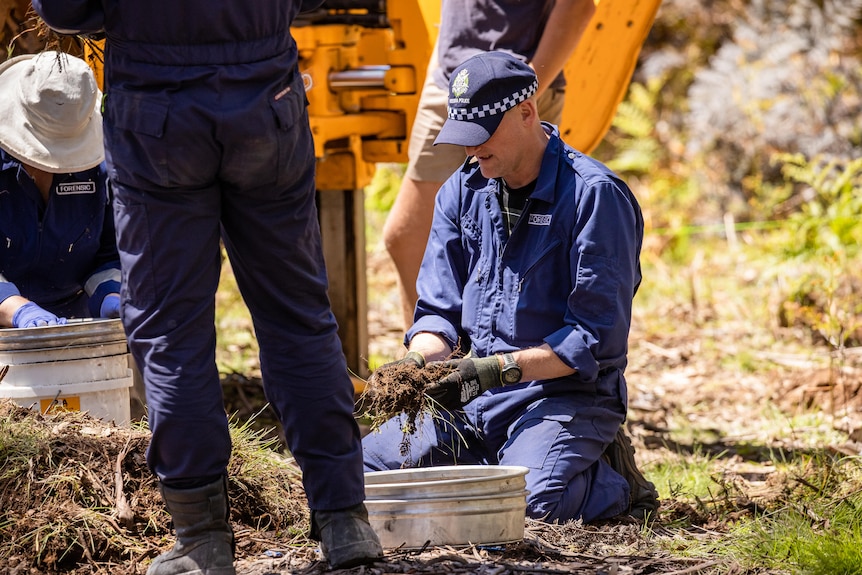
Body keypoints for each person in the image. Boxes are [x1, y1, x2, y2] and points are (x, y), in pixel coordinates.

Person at [33, 2, 382, 573]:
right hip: (267, 103)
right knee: (296, 315)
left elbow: (67, 10)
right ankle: (344, 519)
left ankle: (202, 538)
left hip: (157, 115)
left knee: (171, 330)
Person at [364, 52, 659, 524]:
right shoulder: (461, 192)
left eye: (481, 137)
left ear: (527, 112)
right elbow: (438, 311)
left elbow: (593, 339)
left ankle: (612, 482)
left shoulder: (594, 196)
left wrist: (498, 370)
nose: (470, 152)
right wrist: (417, 364)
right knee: (363, 474)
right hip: (472, 399)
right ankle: (490, 472)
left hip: (563, 397)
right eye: (462, 137)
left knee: (525, 507)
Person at [383, 0, 597, 330]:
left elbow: (578, 6)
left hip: (509, 91)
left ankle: (526, 363)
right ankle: (433, 365)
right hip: (449, 80)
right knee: (407, 235)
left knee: (521, 251)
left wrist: (525, 91)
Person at [0, 51, 120, 330]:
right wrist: (15, 308)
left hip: (72, 322)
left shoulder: (101, 171)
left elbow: (110, 252)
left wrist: (111, 295)